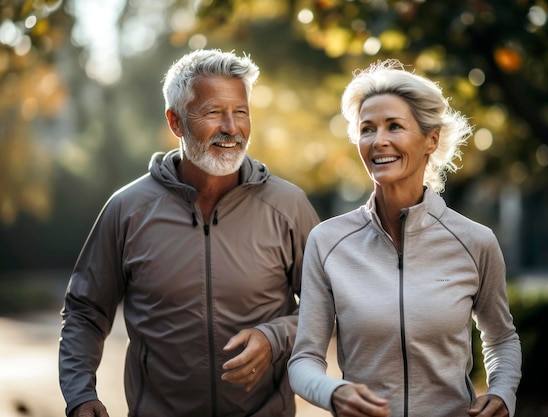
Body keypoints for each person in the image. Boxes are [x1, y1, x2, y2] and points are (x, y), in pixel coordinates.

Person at [58, 49, 320, 417]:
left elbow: (327, 306)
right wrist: (79, 394)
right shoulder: (128, 209)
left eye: (241, 112)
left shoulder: (289, 207)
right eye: (213, 112)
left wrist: (275, 337)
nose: (231, 127)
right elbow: (86, 311)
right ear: (175, 121)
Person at [288, 59, 522, 417]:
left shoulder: (475, 242)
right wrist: (333, 392)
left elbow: (501, 338)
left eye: (394, 126)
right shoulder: (328, 242)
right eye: (367, 129)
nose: (379, 140)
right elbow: (304, 359)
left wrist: (502, 392)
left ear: (431, 139)